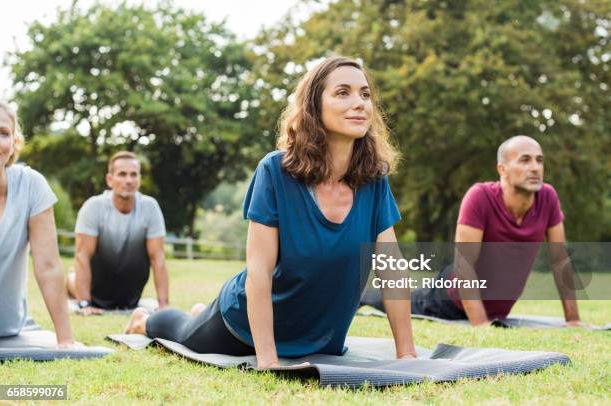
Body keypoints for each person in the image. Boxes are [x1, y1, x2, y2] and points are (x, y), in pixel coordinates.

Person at [125, 56, 417, 367]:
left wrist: (407, 354)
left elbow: (392, 270)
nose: (359, 103)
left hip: (319, 337)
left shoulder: (373, 180)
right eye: (343, 92)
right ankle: (145, 320)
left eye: (365, 94)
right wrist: (267, 360)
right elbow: (259, 272)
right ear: (314, 107)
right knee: (183, 332)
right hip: (243, 329)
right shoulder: (275, 171)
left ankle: (200, 310)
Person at [362, 135, 588, 327]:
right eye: (525, 160)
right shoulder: (480, 196)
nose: (535, 168)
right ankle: (359, 298)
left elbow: (560, 261)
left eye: (539, 161)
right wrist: (481, 325)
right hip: (447, 300)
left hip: (496, 311)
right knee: (399, 301)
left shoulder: (547, 198)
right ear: (503, 169)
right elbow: (464, 266)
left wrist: (573, 320)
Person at [0, 101, 77, 346]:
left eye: (2, 133)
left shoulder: (31, 185)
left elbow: (48, 266)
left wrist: (66, 340)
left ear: (14, 144)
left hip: (7, 327)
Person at [66, 151, 169, 315]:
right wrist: (85, 304)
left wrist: (163, 304)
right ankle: (72, 279)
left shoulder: (150, 207)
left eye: (134, 175)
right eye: (122, 174)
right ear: (110, 179)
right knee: (71, 278)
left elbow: (158, 258)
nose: (129, 180)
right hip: (95, 290)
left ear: (139, 179)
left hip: (129, 296)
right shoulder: (93, 207)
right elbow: (82, 256)